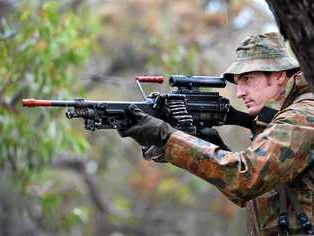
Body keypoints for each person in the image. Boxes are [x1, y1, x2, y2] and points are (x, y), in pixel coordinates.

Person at [118, 32, 314, 235]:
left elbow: (246, 180)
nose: (240, 92)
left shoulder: (302, 116)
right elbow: (259, 190)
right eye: (238, 82)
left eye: (248, 79)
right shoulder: (278, 119)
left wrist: (167, 137)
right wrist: (206, 145)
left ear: (279, 76)